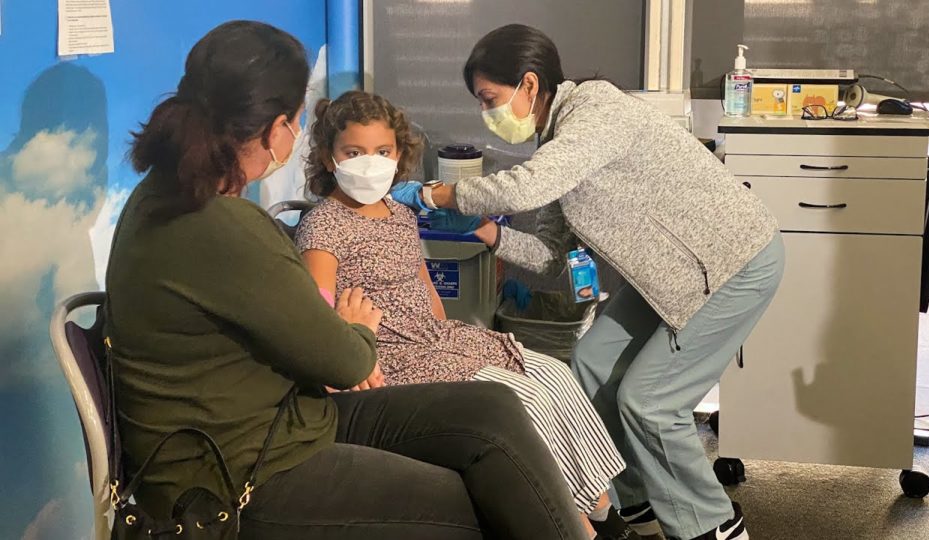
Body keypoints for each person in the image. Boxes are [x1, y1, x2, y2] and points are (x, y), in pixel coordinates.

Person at [104, 20, 586, 540]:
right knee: (481, 500)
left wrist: (348, 329)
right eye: (294, 121)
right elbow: (347, 358)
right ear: (274, 129)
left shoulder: (165, 197)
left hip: (288, 421)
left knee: (494, 408)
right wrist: (355, 327)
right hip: (242, 472)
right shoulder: (221, 226)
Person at [390, 23, 785, 540]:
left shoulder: (597, 112)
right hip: (671, 278)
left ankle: (712, 527)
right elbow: (556, 257)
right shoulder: (556, 141)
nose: (486, 114)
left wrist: (440, 195)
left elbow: (530, 185)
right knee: (593, 365)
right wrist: (489, 233)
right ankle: (637, 505)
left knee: (649, 403)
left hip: (731, 263)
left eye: (489, 99)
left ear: (529, 85)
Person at [294, 90, 639, 540]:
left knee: (555, 375)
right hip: (390, 356)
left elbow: (425, 287)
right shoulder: (324, 225)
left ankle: (601, 511)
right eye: (353, 152)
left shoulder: (400, 212)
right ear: (328, 157)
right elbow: (314, 313)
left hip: (436, 339)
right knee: (523, 404)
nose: (369, 163)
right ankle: (571, 526)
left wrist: (447, 330)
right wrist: (351, 358)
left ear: (399, 156)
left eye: (382, 152)